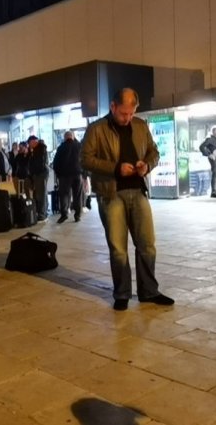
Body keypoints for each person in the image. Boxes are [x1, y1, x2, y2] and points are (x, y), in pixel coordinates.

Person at [81, 88, 174, 311]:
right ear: (113, 107)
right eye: (124, 113)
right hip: (111, 193)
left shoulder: (140, 126)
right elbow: (85, 159)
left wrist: (146, 166)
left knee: (147, 245)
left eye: (132, 113)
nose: (128, 118)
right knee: (118, 249)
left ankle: (149, 291)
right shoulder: (97, 129)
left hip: (138, 190)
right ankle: (122, 293)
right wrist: (115, 168)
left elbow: (154, 152)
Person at [53, 130, 83, 223]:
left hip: (64, 176)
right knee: (77, 195)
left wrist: (58, 174)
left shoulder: (61, 147)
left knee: (64, 195)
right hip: (78, 174)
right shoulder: (79, 146)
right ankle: (77, 215)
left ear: (65, 138)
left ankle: (64, 214)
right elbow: (84, 160)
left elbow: (56, 162)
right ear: (73, 137)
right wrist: (84, 173)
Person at [27, 135, 49, 222]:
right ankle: (43, 212)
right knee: (41, 194)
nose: (29, 145)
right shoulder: (34, 150)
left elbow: (39, 164)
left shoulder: (40, 149)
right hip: (38, 174)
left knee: (41, 195)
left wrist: (34, 172)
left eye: (29, 143)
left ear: (33, 142)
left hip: (40, 174)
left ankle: (42, 214)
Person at [199, 126, 216, 198]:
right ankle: (213, 192)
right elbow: (201, 147)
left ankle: (215, 191)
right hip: (213, 158)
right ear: (212, 131)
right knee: (215, 173)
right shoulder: (209, 139)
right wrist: (209, 154)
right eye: (215, 130)